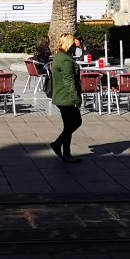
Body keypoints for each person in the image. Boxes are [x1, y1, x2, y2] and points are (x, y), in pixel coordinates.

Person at [49, 32, 83, 164]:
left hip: (62, 96)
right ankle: (58, 144)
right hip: (66, 97)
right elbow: (69, 81)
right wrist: (76, 98)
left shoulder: (60, 56)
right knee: (75, 122)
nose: (75, 45)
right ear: (69, 44)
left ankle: (66, 153)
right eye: (73, 43)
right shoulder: (65, 60)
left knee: (69, 125)